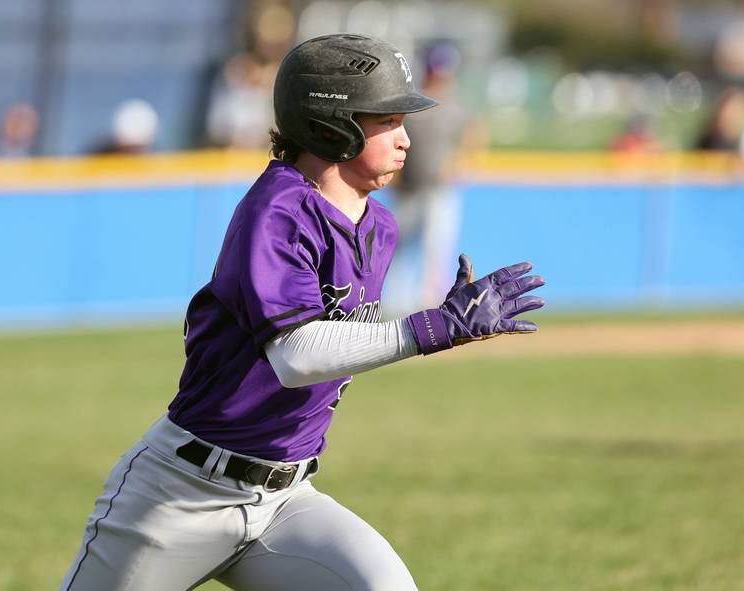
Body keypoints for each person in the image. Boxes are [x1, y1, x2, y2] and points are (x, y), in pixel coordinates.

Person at [59, 34, 545, 591]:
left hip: (285, 501)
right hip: (181, 494)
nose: (406, 138)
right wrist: (433, 327)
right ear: (330, 123)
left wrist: (435, 328)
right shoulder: (277, 211)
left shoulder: (379, 226)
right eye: (387, 119)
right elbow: (294, 356)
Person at [388, 41, 476, 314]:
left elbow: (474, 132)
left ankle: (431, 306)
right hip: (410, 188)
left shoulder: (455, 105)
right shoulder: (414, 102)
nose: (441, 75)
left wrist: (462, 162)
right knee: (397, 248)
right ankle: (393, 303)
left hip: (440, 189)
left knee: (435, 250)